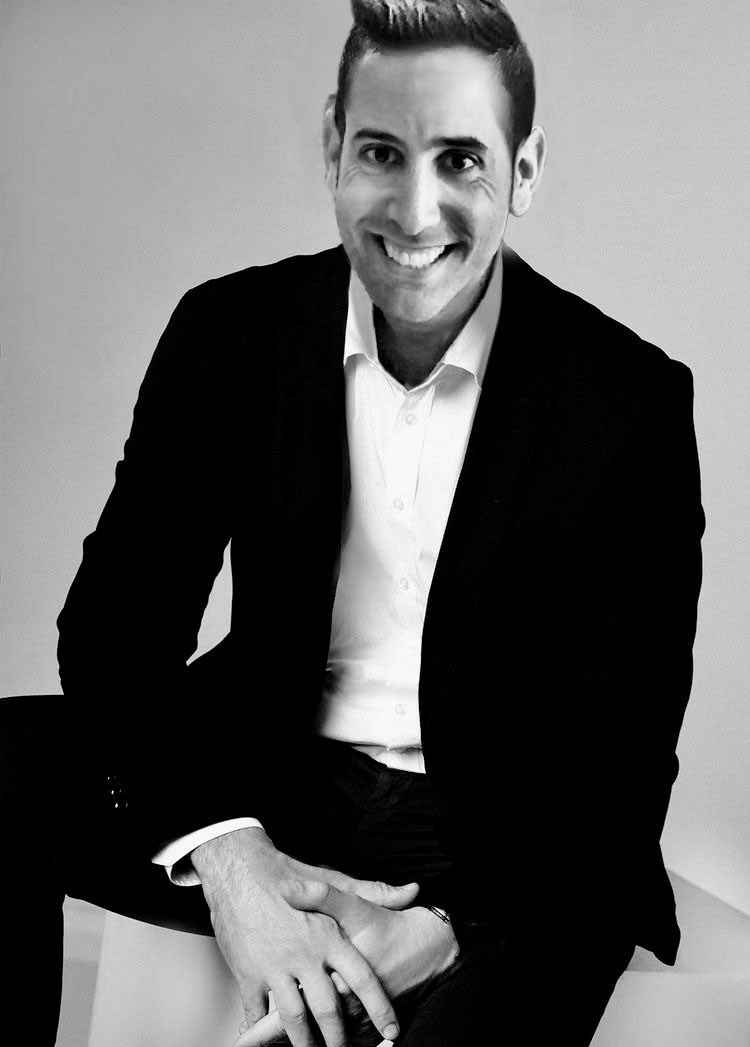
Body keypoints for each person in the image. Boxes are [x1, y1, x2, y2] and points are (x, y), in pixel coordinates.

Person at [2, 1, 704, 1044]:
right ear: (333, 146)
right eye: (383, 152)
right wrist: (229, 857)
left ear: (525, 169)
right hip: (273, 776)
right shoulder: (233, 335)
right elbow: (115, 630)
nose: (416, 213)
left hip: (505, 838)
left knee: (540, 935)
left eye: (461, 159)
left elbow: (619, 746)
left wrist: (445, 926)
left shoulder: (627, 399)